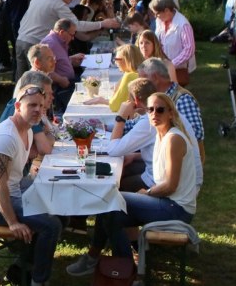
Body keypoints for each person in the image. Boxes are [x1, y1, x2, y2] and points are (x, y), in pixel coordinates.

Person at [69, 90, 203, 277]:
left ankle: (118, 266)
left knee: (110, 201)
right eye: (150, 110)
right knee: (110, 213)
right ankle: (123, 269)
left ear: (171, 113)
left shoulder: (173, 139)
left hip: (176, 208)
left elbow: (170, 186)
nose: (154, 114)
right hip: (168, 202)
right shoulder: (161, 135)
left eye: (160, 110)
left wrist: (146, 193)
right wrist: (138, 159)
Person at [0, 84, 61, 286]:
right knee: (51, 225)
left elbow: (25, 158)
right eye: (32, 105)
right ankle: (38, 281)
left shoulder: (27, 130)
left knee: (58, 204)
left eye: (40, 105)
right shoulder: (5, 137)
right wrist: (12, 222)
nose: (38, 110)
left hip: (13, 190)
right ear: (18, 106)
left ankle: (22, 268)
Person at [15, 0, 119, 75]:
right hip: (35, 43)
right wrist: (102, 24)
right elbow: (76, 25)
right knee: (37, 79)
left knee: (22, 79)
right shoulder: (57, 3)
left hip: (20, 40)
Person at [137, 58, 204, 145]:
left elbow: (196, 134)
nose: (140, 84)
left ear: (155, 77)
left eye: (143, 80)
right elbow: (134, 126)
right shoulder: (157, 98)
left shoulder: (182, 98)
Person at [150, 0, 197, 86]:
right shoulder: (159, 21)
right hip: (162, 67)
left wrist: (171, 65)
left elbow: (189, 49)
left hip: (178, 70)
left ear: (167, 10)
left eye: (157, 13)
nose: (156, 16)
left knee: (174, 95)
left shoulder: (183, 24)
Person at [105, 43, 145, 113]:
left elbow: (114, 106)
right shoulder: (142, 72)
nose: (115, 62)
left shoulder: (130, 76)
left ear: (127, 60)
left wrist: (104, 100)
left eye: (117, 59)